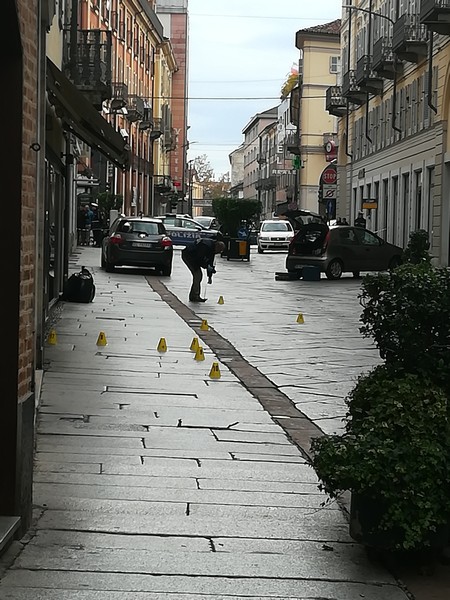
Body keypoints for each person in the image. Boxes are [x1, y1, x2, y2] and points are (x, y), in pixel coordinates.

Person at [181, 238, 226, 302]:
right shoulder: (205, 246)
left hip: (194, 257)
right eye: (219, 251)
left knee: (198, 276)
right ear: (217, 246)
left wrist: (209, 276)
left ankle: (194, 295)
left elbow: (210, 262)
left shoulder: (213, 249)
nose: (218, 253)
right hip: (188, 255)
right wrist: (206, 266)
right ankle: (194, 296)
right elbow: (200, 259)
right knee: (198, 275)